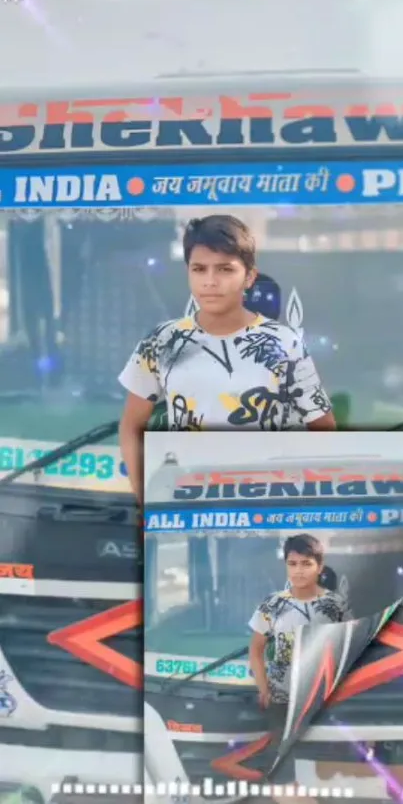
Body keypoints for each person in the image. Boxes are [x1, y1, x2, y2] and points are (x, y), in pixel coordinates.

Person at [118, 215, 336, 499]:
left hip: (265, 504)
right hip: (188, 504)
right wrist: (143, 495)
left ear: (249, 277)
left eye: (224, 269)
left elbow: (323, 427)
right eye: (199, 269)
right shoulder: (163, 341)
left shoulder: (284, 342)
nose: (210, 281)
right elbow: (132, 425)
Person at [248, 533, 352, 708]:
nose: (298, 570)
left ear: (319, 567)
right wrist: (264, 689)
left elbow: (350, 649)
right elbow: (256, 649)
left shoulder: (336, 605)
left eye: (306, 564)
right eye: (292, 564)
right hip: (281, 703)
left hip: (324, 702)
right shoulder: (272, 604)